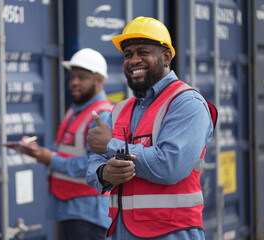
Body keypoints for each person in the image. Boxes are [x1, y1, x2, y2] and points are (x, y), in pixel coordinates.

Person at [86, 17, 218, 240]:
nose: (134, 60)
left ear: (166, 57)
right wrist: (105, 173)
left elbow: (169, 165)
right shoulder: (119, 111)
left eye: (143, 52)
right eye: (128, 55)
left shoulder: (187, 103)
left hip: (173, 233)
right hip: (121, 232)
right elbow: (92, 168)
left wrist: (110, 145)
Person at [21, 48, 112, 240]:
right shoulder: (76, 110)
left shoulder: (101, 115)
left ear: (99, 80)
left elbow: (94, 164)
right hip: (70, 209)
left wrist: (50, 159)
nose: (74, 83)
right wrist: (39, 151)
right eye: (72, 77)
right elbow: (65, 150)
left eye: (82, 77)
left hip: (88, 215)